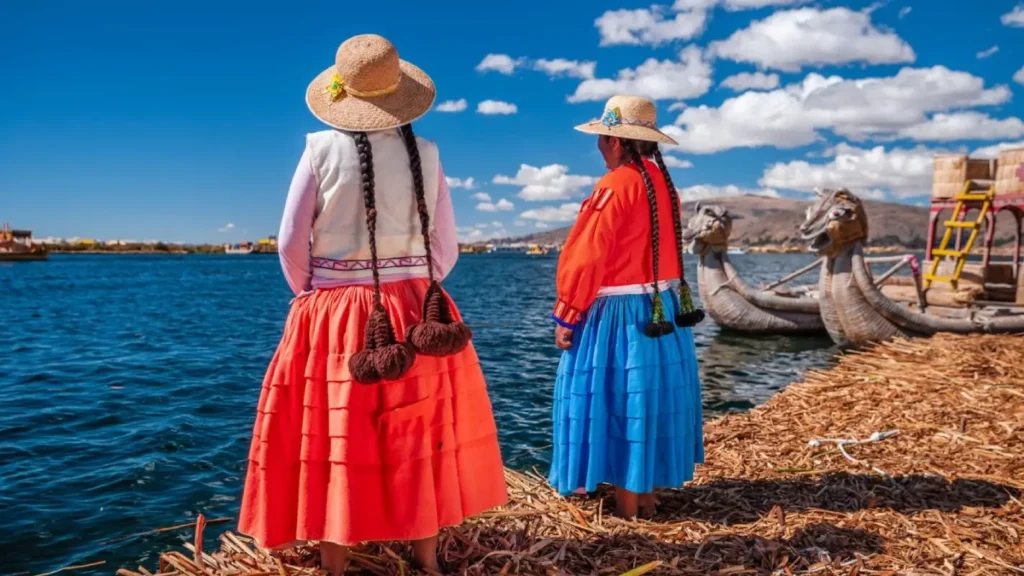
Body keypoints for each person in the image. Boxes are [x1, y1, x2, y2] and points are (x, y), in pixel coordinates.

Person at [237, 34, 508, 575]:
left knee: (338, 431)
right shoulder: (427, 154)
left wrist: (315, 298)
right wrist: (411, 287)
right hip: (417, 309)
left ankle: (334, 559)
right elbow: (446, 248)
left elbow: (290, 241)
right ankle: (426, 560)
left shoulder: (318, 149)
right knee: (420, 429)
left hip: (334, 309)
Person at [547, 95, 705, 519]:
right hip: (662, 310)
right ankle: (647, 497)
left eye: (602, 137)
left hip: (618, 317)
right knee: (649, 398)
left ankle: (626, 507)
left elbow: (587, 255)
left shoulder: (615, 184)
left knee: (618, 401)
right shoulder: (661, 183)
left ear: (617, 141)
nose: (598, 146)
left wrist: (568, 312)